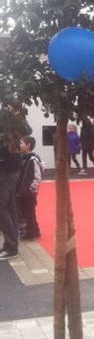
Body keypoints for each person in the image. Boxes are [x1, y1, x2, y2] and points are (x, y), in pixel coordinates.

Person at [0, 104, 32, 261]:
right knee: (10, 205)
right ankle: (12, 241)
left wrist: (16, 114)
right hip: (4, 166)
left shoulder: (10, 112)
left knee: (2, 206)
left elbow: (27, 131)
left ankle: (11, 245)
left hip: (9, 167)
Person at [16, 135, 43, 240]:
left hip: (29, 191)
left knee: (29, 212)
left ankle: (31, 232)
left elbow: (37, 176)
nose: (19, 145)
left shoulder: (33, 159)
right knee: (25, 211)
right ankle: (31, 230)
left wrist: (32, 188)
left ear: (28, 145)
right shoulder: (22, 158)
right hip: (22, 190)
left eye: (21, 143)